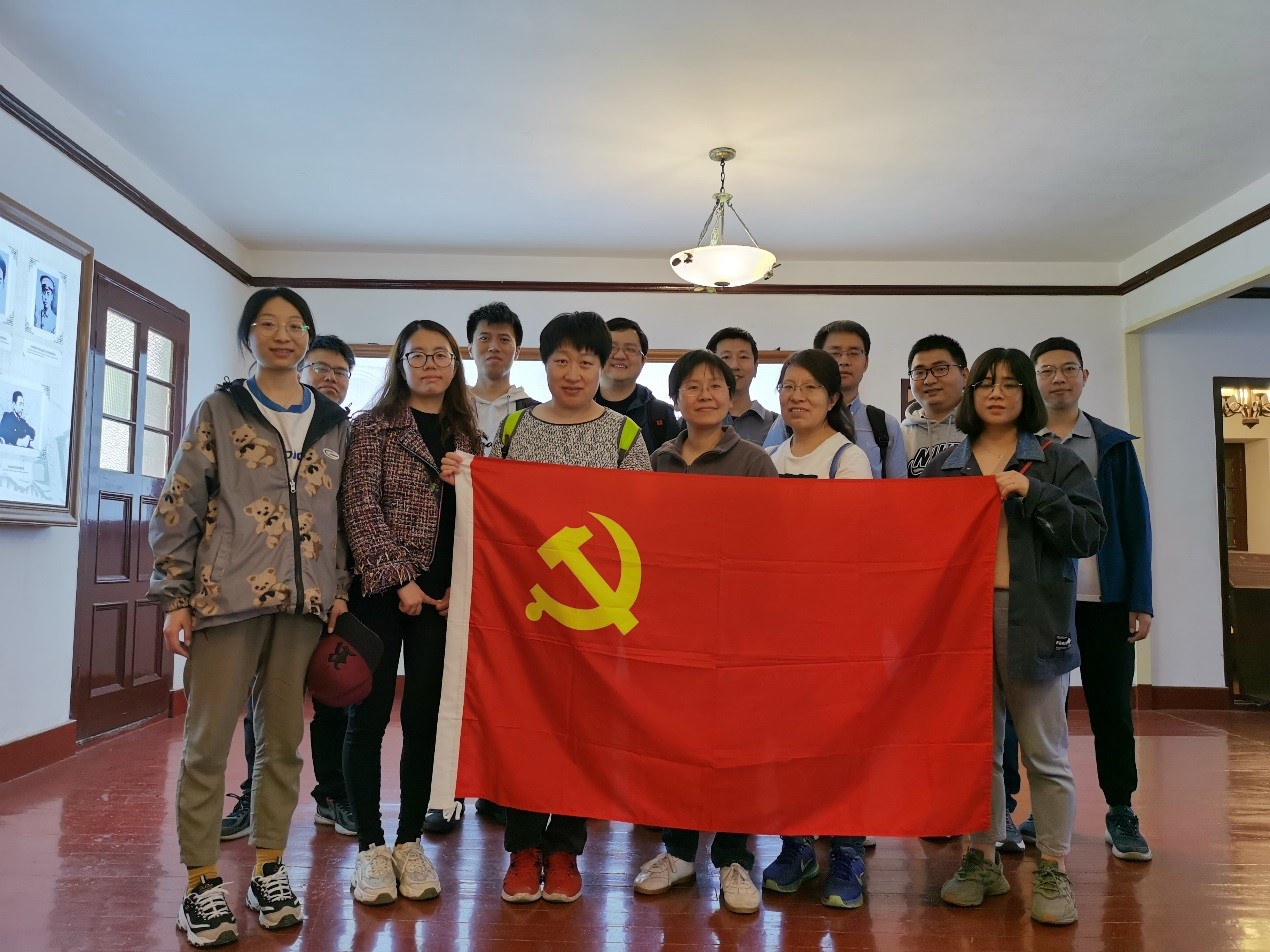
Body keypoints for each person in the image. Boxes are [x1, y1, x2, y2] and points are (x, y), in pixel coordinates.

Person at [150, 287, 350, 946]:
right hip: (225, 598)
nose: (282, 335)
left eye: (295, 325)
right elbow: (181, 499)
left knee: (283, 744)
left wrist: (338, 586)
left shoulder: (333, 420)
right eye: (267, 324)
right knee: (207, 742)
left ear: (308, 338)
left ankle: (269, 867)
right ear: (250, 337)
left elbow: (340, 514)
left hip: (303, 606)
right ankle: (201, 881)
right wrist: (175, 595)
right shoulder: (220, 407)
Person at [441, 310, 652, 905]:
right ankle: (523, 846)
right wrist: (466, 477)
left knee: (583, 732)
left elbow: (641, 521)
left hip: (596, 613)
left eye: (587, 361)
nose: (573, 372)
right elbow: (489, 505)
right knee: (526, 726)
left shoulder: (625, 436)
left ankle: (565, 850)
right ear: (545, 363)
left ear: (603, 366)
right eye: (562, 360)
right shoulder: (514, 429)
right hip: (523, 608)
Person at [924, 347, 1105, 927]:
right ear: (971, 394)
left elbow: (1090, 534)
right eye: (985, 384)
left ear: (1027, 393)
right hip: (963, 621)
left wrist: (1034, 493)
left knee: (1044, 752)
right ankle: (981, 858)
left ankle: (1052, 866)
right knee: (978, 750)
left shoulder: (1053, 461)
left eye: (1009, 384)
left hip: (1035, 617)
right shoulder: (946, 465)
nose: (996, 393)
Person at [341, 320, 481, 907]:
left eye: (440, 354)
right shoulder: (371, 426)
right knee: (369, 717)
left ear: (455, 364)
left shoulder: (470, 435)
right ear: (399, 364)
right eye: (416, 355)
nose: (429, 364)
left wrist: (458, 587)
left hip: (444, 599)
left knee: (425, 718)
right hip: (381, 592)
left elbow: (484, 516)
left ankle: (409, 841)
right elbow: (359, 507)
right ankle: (371, 847)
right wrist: (402, 580)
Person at [632, 350, 776, 915]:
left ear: (731, 393)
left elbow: (771, 543)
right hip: (672, 623)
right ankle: (679, 851)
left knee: (735, 742)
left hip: (738, 624)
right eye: (692, 386)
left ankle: (735, 858)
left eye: (715, 385)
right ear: (676, 398)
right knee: (676, 740)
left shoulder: (754, 461)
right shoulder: (658, 460)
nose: (705, 395)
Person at [1018, 336, 1155, 862]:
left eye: (1068, 369)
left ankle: (1121, 810)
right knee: (1044, 713)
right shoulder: (1023, 445)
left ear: (1084, 376)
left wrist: (1140, 598)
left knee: (1112, 708)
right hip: (1044, 599)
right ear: (1035, 379)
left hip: (1106, 600)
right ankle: (1045, 810)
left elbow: (1136, 525)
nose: (1058, 378)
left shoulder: (1112, 445)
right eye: (1047, 370)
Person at [221, 335, 359, 842]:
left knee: (334, 697)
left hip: (328, 589)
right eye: (321, 368)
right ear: (301, 370)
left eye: (341, 372)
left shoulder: (347, 433)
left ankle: (333, 796)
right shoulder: (262, 422)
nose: (330, 378)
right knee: (263, 699)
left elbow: (349, 517)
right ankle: (254, 797)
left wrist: (341, 587)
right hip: (266, 587)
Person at [759, 349, 872, 909]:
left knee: (841, 738)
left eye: (809, 388)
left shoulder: (849, 459)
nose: (796, 397)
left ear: (832, 398)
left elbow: (846, 540)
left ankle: (848, 851)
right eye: (788, 386)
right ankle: (796, 845)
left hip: (836, 624)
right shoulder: (765, 459)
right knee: (787, 740)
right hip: (778, 624)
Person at [763, 320, 907, 479]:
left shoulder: (882, 426)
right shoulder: (782, 430)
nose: (844, 361)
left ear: (832, 400)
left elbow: (898, 489)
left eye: (853, 353)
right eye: (835, 353)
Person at [596, 316, 680, 453]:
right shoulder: (576, 407)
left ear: (643, 360)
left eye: (630, 349)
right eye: (612, 347)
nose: (620, 355)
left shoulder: (661, 414)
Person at [466, 302, 538, 457]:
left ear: (517, 351)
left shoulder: (534, 412)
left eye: (504, 339)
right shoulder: (451, 406)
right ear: (470, 349)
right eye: (484, 338)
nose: (494, 347)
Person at [902, 334, 968, 478]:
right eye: (919, 372)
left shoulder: (983, 427)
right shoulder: (900, 435)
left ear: (964, 376)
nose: (929, 380)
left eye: (940, 369)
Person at [706, 326, 777, 444]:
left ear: (755, 368)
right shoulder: (690, 422)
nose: (734, 365)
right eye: (726, 357)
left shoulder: (777, 424)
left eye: (743, 357)